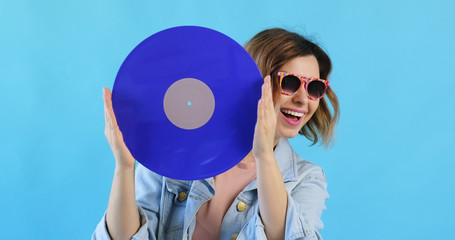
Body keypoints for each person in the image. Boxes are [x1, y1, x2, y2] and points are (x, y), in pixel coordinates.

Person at [92, 28, 339, 240]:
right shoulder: (175, 149)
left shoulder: (306, 179)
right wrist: (124, 168)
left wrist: (264, 156)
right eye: (290, 83)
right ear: (252, 81)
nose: (302, 99)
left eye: (314, 88)